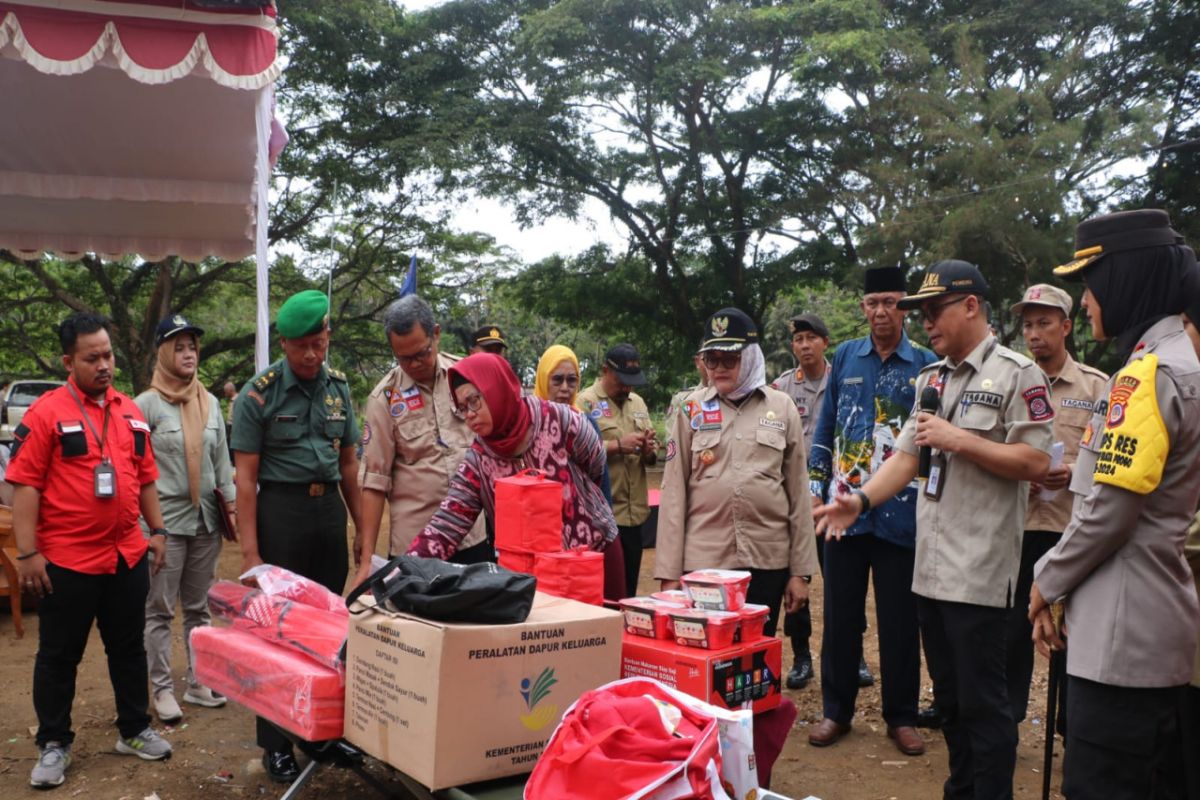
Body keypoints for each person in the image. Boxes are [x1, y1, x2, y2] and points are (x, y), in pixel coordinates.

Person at [816, 259, 1054, 800]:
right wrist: (859, 500)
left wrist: (959, 439)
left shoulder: (1018, 374)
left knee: (984, 705)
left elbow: (1036, 462)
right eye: (920, 312)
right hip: (930, 570)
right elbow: (905, 458)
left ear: (971, 306)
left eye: (933, 310)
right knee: (948, 702)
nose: (925, 322)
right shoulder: (931, 378)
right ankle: (960, 790)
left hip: (980, 573)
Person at [1030, 209, 1200, 800]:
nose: (1087, 302)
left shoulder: (1148, 375)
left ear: (1125, 279)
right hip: (1146, 633)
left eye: (1091, 283)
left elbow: (1110, 511)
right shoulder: (1169, 361)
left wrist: (1045, 580)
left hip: (1123, 647)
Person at [7, 312, 174, 789]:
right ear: (68, 360)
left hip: (125, 555)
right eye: (92, 357)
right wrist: (28, 554)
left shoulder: (129, 411)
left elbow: (144, 479)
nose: (104, 365)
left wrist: (157, 531)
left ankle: (134, 729)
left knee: (128, 647)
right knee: (59, 655)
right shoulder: (46, 414)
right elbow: (25, 487)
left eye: (109, 354)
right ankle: (54, 743)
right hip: (66, 561)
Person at [230, 289, 363, 783]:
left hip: (327, 511)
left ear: (328, 335)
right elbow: (246, 479)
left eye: (318, 343)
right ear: (283, 343)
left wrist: (361, 533)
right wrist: (251, 555)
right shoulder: (258, 394)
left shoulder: (339, 388)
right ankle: (276, 744)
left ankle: (324, 731)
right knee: (278, 632)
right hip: (279, 513)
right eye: (300, 346)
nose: (311, 355)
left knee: (329, 630)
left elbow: (349, 464)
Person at [806, 266, 937, 755]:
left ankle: (901, 716)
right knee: (840, 618)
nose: (881, 311)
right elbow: (825, 428)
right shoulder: (844, 356)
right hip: (845, 512)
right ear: (862, 308)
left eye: (890, 301)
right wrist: (816, 488)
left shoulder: (924, 363)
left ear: (903, 305)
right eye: (872, 302)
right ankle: (835, 711)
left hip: (903, 515)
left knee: (901, 621)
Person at [656, 308, 819, 637]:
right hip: (703, 561)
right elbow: (673, 492)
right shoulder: (691, 409)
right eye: (711, 360)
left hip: (767, 561)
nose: (718, 368)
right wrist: (668, 573)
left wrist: (800, 572)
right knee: (707, 658)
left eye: (728, 359)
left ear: (750, 357)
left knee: (755, 659)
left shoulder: (782, 406)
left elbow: (799, 493)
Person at [407, 353, 626, 599]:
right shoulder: (479, 461)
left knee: (606, 633)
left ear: (495, 389)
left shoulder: (560, 419)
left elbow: (595, 465)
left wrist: (580, 512)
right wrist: (404, 571)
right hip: (534, 577)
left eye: (474, 401)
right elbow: (446, 525)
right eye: (462, 407)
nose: (468, 414)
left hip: (594, 557)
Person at [1003, 285, 1107, 727]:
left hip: (1070, 531)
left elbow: (1106, 462)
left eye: (1044, 323)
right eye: (1027, 325)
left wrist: (1072, 472)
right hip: (1018, 529)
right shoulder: (1010, 382)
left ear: (1066, 326)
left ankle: (1071, 731)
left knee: (1069, 636)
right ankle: (1004, 724)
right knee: (1011, 636)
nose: (1034, 334)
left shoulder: (1098, 386)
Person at [137, 314, 237, 724]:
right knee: (159, 609)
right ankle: (161, 689)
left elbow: (222, 463)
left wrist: (231, 510)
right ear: (163, 352)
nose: (188, 354)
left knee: (198, 608)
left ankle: (199, 680)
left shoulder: (210, 402)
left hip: (205, 522)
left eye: (192, 346)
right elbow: (135, 470)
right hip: (165, 524)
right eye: (179, 347)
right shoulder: (145, 405)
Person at [356, 296, 489, 587]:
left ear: (436, 334)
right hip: (416, 546)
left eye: (422, 353)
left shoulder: (465, 376)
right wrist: (367, 560)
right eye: (404, 358)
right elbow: (374, 481)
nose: (415, 364)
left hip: (473, 538)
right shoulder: (386, 398)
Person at [769, 313, 846, 690]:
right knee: (795, 576)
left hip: (837, 499)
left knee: (842, 580)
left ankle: (853, 657)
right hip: (796, 502)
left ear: (824, 343)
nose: (804, 346)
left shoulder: (841, 380)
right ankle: (801, 656)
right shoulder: (782, 388)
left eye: (811, 338)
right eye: (798, 339)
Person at [578, 344, 656, 598]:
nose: (627, 388)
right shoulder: (584, 402)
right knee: (604, 590)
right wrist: (617, 446)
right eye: (622, 381)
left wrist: (647, 449)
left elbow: (652, 457)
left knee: (628, 590)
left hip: (634, 515)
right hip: (602, 516)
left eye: (632, 382)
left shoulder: (638, 403)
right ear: (605, 371)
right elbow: (576, 452)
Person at [532, 344, 612, 504]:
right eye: (557, 380)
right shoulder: (529, 424)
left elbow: (601, 484)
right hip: (536, 518)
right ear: (543, 379)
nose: (565, 388)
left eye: (571, 380)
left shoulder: (587, 425)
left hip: (580, 522)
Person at [665, 349, 709, 431]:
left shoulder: (737, 400)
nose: (717, 365)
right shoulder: (682, 400)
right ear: (697, 361)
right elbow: (672, 440)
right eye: (709, 358)